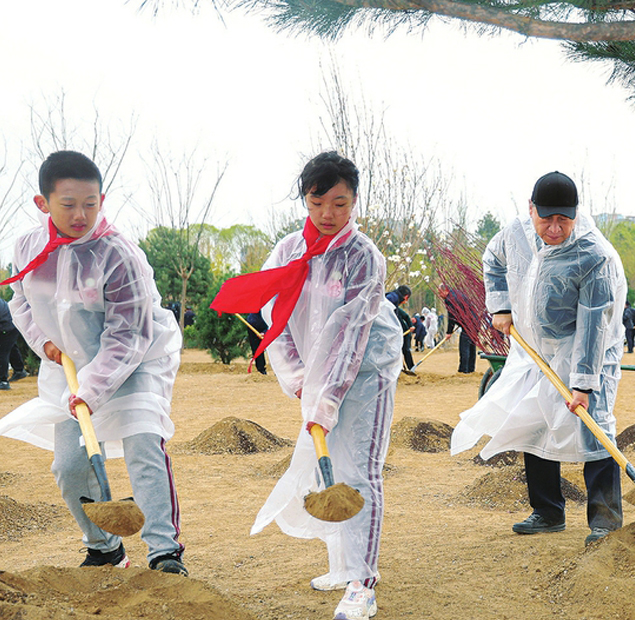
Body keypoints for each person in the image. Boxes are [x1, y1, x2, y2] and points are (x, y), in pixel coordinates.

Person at [212, 151, 401, 620]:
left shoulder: (364, 258)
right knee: (328, 468)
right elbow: (276, 318)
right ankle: (341, 566)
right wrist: (297, 378)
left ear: (355, 201)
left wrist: (327, 396)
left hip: (364, 373)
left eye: (340, 203)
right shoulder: (288, 251)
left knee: (359, 473)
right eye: (318, 203)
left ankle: (362, 583)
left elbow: (352, 335)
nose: (328, 215)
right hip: (316, 376)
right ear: (305, 200)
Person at [0, 151, 186, 575]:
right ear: (42, 203)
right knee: (68, 464)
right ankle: (105, 548)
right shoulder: (28, 246)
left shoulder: (120, 255)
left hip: (136, 363)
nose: (81, 214)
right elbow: (21, 302)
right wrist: (43, 342)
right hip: (68, 366)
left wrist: (91, 390)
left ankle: (163, 551)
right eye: (68, 204)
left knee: (143, 445)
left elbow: (129, 335)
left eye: (91, 203)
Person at [450, 170, 626, 547]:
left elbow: (595, 324)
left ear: (576, 214)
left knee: (594, 423)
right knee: (533, 421)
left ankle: (605, 521)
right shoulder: (514, 233)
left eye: (564, 219)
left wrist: (583, 384)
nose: (556, 228)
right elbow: (493, 260)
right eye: (547, 218)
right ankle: (547, 512)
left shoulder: (594, 256)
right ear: (531, 209)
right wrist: (500, 306)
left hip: (586, 345)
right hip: (531, 348)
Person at [438, 283, 477, 374]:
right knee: (471, 346)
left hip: (468, 323)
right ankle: (471, 369)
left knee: (464, 347)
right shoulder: (457, 293)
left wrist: (449, 332)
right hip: (475, 321)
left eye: (440, 292)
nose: (439, 295)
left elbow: (451, 316)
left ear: (445, 291)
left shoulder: (450, 299)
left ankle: (463, 370)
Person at [386, 284, 413, 368]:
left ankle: (407, 367)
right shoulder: (393, 297)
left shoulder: (395, 303)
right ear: (406, 297)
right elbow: (384, 308)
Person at [0, 298, 20, 390]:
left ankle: (3, 381)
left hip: (7, 326)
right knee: (9, 348)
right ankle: (19, 370)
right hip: (11, 324)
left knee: (2, 352)